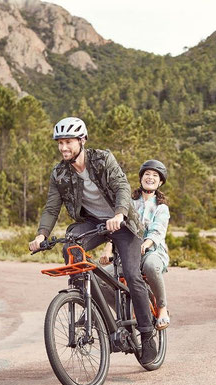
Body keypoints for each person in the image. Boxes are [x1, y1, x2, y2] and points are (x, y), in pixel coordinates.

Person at [28, 117, 158, 364]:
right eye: (60, 143)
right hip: (93, 224)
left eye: (68, 142)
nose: (63, 148)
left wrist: (119, 213)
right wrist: (41, 235)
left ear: (82, 140)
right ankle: (85, 299)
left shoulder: (102, 159)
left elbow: (121, 186)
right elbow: (51, 207)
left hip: (124, 223)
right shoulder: (59, 173)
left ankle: (147, 334)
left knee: (131, 275)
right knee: (71, 247)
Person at [99, 159, 171, 330]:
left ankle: (162, 308)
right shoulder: (129, 204)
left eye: (155, 175)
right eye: (147, 174)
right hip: (128, 253)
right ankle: (125, 312)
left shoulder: (161, 208)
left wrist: (146, 244)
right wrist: (108, 247)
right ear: (141, 178)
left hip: (152, 251)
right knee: (100, 278)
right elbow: (117, 226)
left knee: (151, 266)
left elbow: (158, 230)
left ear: (160, 182)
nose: (150, 177)